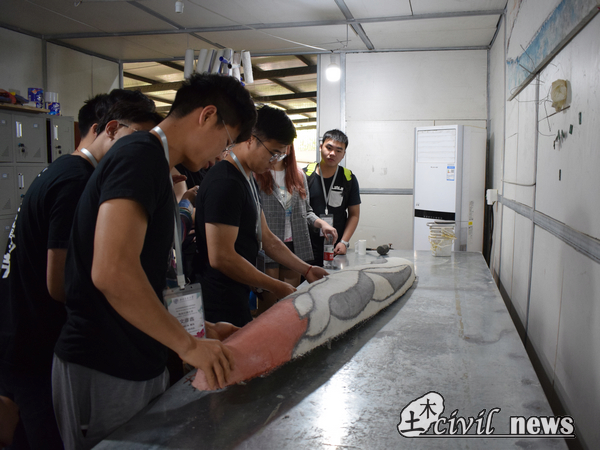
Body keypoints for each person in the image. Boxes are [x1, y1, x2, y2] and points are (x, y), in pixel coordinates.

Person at [52, 73, 257, 449]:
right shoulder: (140, 155)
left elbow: (143, 276)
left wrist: (201, 330)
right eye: (226, 141)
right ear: (207, 115)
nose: (220, 155)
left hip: (135, 357)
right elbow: (112, 272)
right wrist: (188, 346)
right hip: (106, 361)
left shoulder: (155, 165)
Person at [0, 91, 159, 450]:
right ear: (110, 129)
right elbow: (60, 283)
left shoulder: (61, 169)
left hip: (17, 331)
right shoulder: (77, 181)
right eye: (138, 138)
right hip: (36, 342)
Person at [193, 105, 329, 327]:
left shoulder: (247, 178)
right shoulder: (226, 183)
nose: (275, 160)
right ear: (250, 139)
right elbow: (221, 257)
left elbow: (267, 237)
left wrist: (306, 269)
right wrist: (276, 286)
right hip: (218, 300)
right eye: (273, 152)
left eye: (281, 154)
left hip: (236, 292)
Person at [255, 143, 337, 314]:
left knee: (290, 302)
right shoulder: (258, 173)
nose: (282, 150)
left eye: (286, 145)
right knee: (269, 305)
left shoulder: (298, 174)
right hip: (268, 245)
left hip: (295, 245)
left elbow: (306, 211)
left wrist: (322, 223)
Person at [304, 129, 361, 265]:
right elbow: (301, 212)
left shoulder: (348, 178)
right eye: (329, 148)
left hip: (336, 246)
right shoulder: (305, 175)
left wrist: (344, 242)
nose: (332, 153)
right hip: (308, 244)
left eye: (338, 150)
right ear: (320, 147)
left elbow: (354, 214)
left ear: (343, 154)